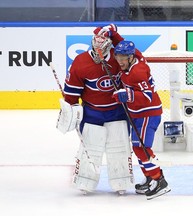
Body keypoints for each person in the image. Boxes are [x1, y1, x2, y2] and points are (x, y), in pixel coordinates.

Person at [56, 24, 134, 195]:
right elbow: (71, 93)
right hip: (93, 112)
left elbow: (133, 76)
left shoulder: (118, 58)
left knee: (119, 148)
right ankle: (86, 181)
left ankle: (121, 181)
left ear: (108, 46)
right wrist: (70, 109)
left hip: (117, 112)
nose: (98, 52)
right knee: (90, 149)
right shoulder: (81, 61)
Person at [112, 40, 171, 200]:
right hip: (138, 113)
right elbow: (122, 43)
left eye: (124, 57)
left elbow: (147, 96)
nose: (120, 61)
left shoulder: (137, 71)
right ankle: (150, 178)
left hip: (147, 113)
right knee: (138, 147)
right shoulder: (136, 57)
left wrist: (127, 95)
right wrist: (112, 33)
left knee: (142, 149)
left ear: (131, 57)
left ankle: (160, 181)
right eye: (118, 57)